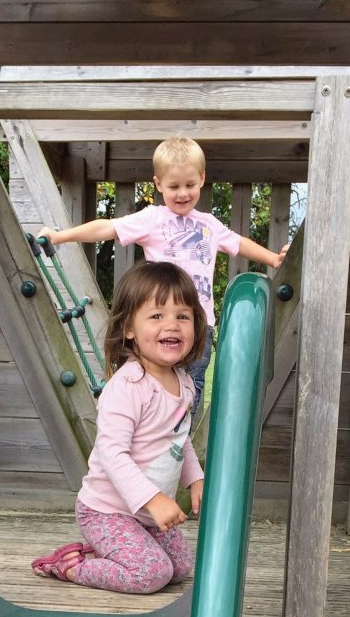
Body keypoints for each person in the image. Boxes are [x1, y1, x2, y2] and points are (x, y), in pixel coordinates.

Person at [39, 135, 289, 415]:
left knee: (191, 386)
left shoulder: (209, 224)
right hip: (160, 321)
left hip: (198, 325)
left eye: (190, 185)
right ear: (158, 184)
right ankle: (144, 429)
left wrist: (273, 259)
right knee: (153, 383)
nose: (183, 193)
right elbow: (107, 228)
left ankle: (179, 445)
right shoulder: (153, 219)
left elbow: (238, 243)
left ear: (202, 179)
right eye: (174, 186)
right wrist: (60, 237)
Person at [31, 261, 207, 594]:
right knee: (151, 575)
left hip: (145, 513)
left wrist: (194, 477)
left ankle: (112, 552)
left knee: (180, 569)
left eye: (182, 316)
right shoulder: (129, 385)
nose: (172, 325)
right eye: (156, 316)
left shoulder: (184, 383)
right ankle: (72, 566)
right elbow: (112, 453)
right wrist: (154, 499)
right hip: (106, 511)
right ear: (128, 328)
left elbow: (178, 439)